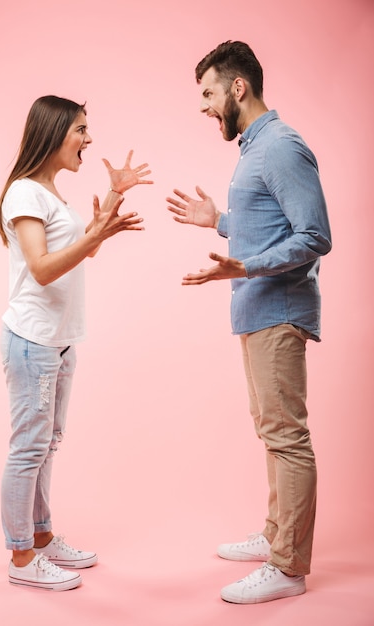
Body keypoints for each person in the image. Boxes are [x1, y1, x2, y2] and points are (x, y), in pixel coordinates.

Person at [166, 41, 331, 604]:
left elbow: (314, 236)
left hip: (278, 310)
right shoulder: (256, 147)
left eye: (209, 93)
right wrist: (221, 222)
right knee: (273, 435)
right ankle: (275, 536)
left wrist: (247, 264)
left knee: (287, 438)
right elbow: (267, 223)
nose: (205, 106)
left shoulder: (281, 146)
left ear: (239, 87)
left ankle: (288, 567)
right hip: (258, 310)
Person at [0, 95, 153, 591]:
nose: (89, 140)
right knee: (29, 448)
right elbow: (43, 270)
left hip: (58, 344)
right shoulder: (24, 193)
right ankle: (22, 558)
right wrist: (93, 236)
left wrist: (112, 200)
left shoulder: (50, 193)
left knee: (47, 445)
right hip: (33, 342)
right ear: (54, 132)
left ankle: (40, 538)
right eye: (81, 130)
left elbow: (76, 249)